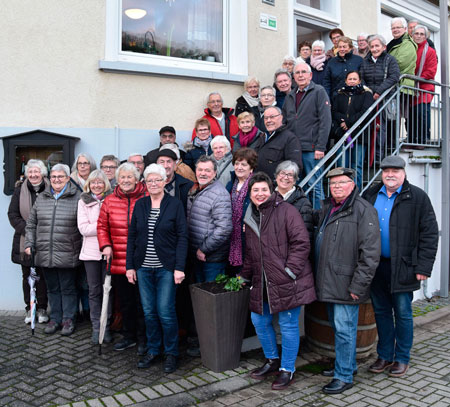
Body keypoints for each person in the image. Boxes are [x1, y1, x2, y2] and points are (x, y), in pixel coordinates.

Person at [363, 156, 438, 378]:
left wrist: (423, 266)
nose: (390, 174)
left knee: (403, 313)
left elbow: (429, 234)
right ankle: (385, 355)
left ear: (403, 173)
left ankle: (402, 357)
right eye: (386, 170)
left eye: (395, 170)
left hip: (404, 266)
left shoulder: (417, 197)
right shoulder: (370, 194)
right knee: (382, 312)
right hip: (376, 266)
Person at [239, 172, 316, 390]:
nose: (260, 194)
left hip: (287, 280)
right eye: (255, 190)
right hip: (261, 281)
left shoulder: (286, 211)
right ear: (250, 193)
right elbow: (252, 252)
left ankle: (287, 369)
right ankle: (272, 360)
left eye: (264, 189)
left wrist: (289, 272)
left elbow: (301, 243)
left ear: (271, 191)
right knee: (259, 321)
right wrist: (244, 275)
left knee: (288, 325)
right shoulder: (250, 214)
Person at [315, 167, 381, 394]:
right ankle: (347, 366)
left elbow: (370, 254)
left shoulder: (363, 210)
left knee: (344, 330)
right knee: (339, 328)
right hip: (331, 281)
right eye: (333, 184)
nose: (336, 187)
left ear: (353, 185)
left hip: (347, 284)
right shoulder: (329, 207)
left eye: (342, 183)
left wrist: (358, 286)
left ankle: (343, 376)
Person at [126, 164, 188, 373]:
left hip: (166, 268)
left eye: (157, 180)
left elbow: (182, 237)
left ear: (164, 182)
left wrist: (179, 267)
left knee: (165, 312)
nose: (153, 184)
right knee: (149, 312)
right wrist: (130, 267)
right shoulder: (141, 205)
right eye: (149, 180)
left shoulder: (175, 205)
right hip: (143, 267)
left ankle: (171, 353)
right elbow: (132, 236)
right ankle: (154, 350)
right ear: (145, 183)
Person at [24, 163, 82, 336]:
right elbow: (31, 223)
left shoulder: (77, 197)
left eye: (60, 177)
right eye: (54, 177)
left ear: (67, 178)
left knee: (68, 288)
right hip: (45, 252)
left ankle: (68, 319)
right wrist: (29, 244)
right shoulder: (43, 197)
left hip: (67, 252)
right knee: (52, 288)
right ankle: (55, 318)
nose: (57, 180)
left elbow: (83, 226)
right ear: (50, 179)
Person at [97, 162, 147, 355]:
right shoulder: (109, 200)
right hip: (118, 259)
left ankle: (143, 338)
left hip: (142, 259)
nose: (126, 180)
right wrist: (106, 245)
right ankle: (129, 336)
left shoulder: (147, 197)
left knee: (142, 302)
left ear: (136, 179)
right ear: (117, 179)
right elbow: (102, 226)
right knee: (125, 301)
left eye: (129, 177)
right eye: (122, 177)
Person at [282, 62, 331, 208]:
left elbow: (325, 120)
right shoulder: (290, 95)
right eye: (297, 73)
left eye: (304, 72)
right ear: (293, 77)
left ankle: (318, 222)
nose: (301, 75)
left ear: (310, 75)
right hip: (294, 149)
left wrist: (320, 146)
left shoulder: (318, 91)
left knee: (314, 186)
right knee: (297, 186)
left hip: (312, 149)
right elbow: (285, 121)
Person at [8, 159, 49, 325]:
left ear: (42, 173)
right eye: (30, 172)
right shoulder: (19, 190)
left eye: (36, 171)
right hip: (24, 240)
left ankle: (42, 308)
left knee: (43, 276)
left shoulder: (50, 188)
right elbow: (13, 215)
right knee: (28, 276)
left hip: (46, 238)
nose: (33, 175)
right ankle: (30, 307)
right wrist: (29, 231)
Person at [77, 169, 113, 344]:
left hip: (109, 253)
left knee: (108, 290)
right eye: (93, 182)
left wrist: (97, 226)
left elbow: (116, 226)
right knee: (94, 291)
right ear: (88, 184)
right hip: (91, 254)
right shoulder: (83, 202)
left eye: (100, 182)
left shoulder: (111, 200)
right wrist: (102, 226)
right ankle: (96, 327)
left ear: (105, 183)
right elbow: (83, 229)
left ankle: (106, 326)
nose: (97, 185)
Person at [187, 155, 232, 283]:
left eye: (207, 170)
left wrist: (204, 249)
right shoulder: (195, 189)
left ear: (215, 173)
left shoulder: (219, 194)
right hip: (197, 256)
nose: (203, 173)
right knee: (199, 297)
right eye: (200, 170)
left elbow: (224, 229)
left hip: (211, 259)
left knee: (211, 299)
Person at [359, 34, 400, 162]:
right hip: (369, 98)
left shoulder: (390, 60)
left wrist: (379, 92)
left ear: (383, 47)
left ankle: (378, 158)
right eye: (372, 46)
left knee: (380, 128)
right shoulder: (365, 61)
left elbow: (394, 77)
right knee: (368, 128)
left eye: (377, 46)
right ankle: (368, 158)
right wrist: (369, 93)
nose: (375, 49)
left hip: (384, 98)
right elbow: (362, 79)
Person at [331, 71, 374, 190]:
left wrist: (348, 122)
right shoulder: (340, 94)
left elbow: (366, 113)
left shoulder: (366, 94)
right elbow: (334, 111)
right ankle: (343, 192)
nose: (352, 81)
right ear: (345, 81)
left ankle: (356, 193)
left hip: (359, 136)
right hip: (342, 134)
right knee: (341, 166)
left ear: (359, 81)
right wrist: (343, 122)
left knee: (357, 166)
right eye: (349, 79)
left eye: (355, 79)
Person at [225, 148, 258, 274]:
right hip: (230, 235)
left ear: (251, 167)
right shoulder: (230, 183)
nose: (239, 167)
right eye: (237, 164)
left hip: (248, 236)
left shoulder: (257, 185)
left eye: (244, 164)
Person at [253, 106, 302, 180]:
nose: (268, 120)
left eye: (272, 117)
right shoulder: (262, 137)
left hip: (276, 187)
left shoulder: (290, 138)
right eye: (266, 118)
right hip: (259, 184)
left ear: (281, 117)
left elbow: (294, 166)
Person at [408, 25, 438, 144]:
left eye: (421, 34)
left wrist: (416, 79)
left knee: (421, 114)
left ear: (425, 36)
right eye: (416, 33)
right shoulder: (410, 49)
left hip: (424, 88)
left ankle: (422, 140)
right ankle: (411, 140)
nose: (419, 36)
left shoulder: (430, 51)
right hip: (410, 87)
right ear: (412, 35)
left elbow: (431, 71)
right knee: (410, 116)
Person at [274, 161, 313, 242]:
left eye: (290, 175)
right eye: (283, 173)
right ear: (276, 176)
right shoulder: (267, 197)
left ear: (295, 180)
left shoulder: (303, 203)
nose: (285, 177)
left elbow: (305, 236)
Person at [156, 147, 194, 213]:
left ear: (175, 165)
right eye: (162, 162)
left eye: (169, 162)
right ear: (157, 165)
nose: (165, 166)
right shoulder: (150, 185)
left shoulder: (187, 185)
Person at [387, 17, 417, 97]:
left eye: (398, 27)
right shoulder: (391, 43)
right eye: (393, 28)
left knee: (400, 109)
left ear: (405, 28)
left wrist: (383, 69)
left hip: (402, 87)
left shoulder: (408, 44)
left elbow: (400, 63)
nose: (395, 30)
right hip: (393, 84)